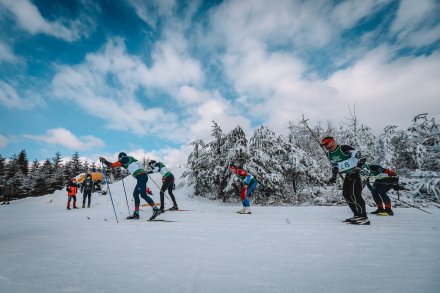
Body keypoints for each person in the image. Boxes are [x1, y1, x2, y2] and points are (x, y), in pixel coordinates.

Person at [321, 136, 370, 225]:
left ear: (332, 142)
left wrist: (357, 169)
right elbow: (335, 165)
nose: (325, 146)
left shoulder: (344, 148)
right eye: (323, 145)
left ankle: (363, 217)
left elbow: (362, 158)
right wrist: (334, 176)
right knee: (346, 194)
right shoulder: (329, 154)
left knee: (355, 193)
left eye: (326, 144)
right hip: (349, 173)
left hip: (360, 172)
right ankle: (357, 215)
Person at [100, 152, 161, 220]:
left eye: (119, 159)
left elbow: (112, 165)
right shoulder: (131, 159)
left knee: (143, 195)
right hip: (141, 177)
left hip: (141, 177)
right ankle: (136, 213)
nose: (119, 160)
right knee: (135, 194)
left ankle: (156, 209)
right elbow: (128, 165)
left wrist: (104, 161)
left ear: (120, 157)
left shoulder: (124, 158)